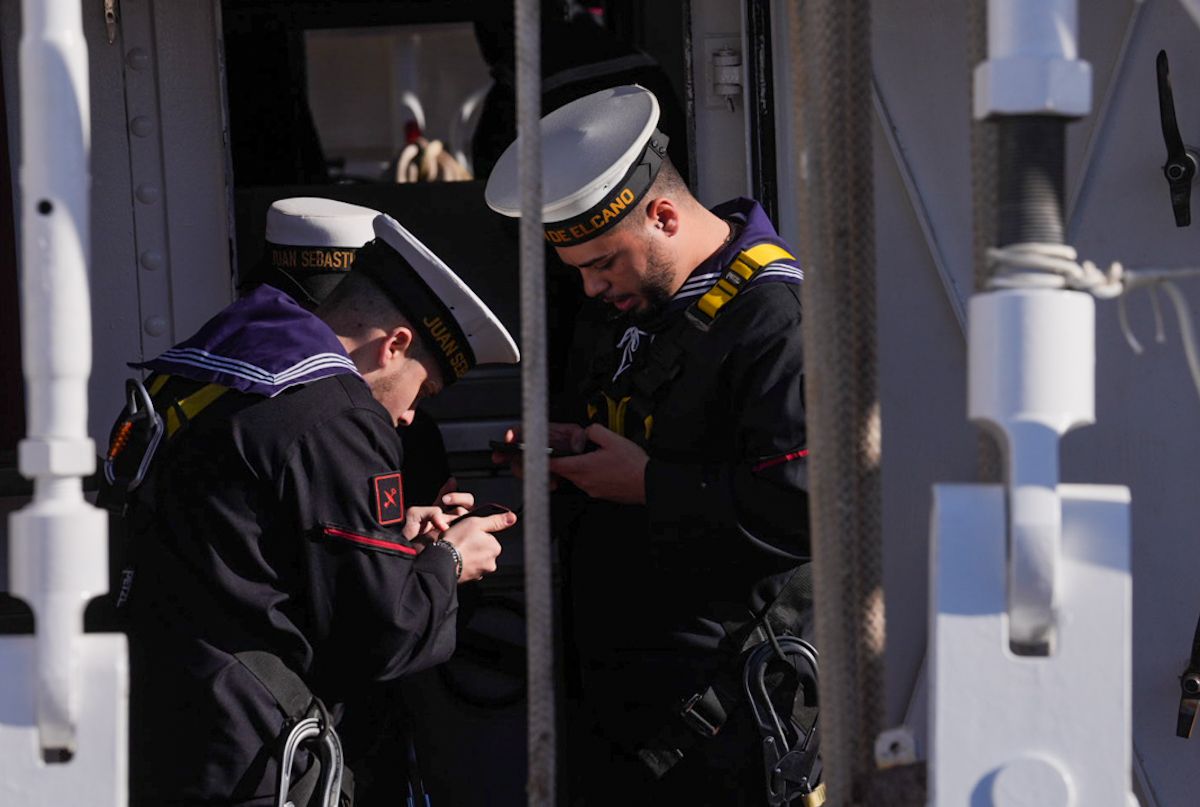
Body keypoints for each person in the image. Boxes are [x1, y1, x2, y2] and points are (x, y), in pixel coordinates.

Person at [106, 210, 520, 806]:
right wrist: (451, 560)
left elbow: (240, 537)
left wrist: (388, 537)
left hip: (163, 717)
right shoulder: (340, 411)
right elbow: (381, 634)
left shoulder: (214, 369)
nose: (407, 417)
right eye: (421, 391)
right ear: (395, 345)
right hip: (250, 750)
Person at [485, 85, 814, 805]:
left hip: (721, 719)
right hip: (622, 705)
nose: (594, 287)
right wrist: (571, 450)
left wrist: (647, 484)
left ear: (663, 215)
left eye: (604, 263)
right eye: (578, 272)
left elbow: (807, 509)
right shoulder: (637, 300)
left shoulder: (775, 318)